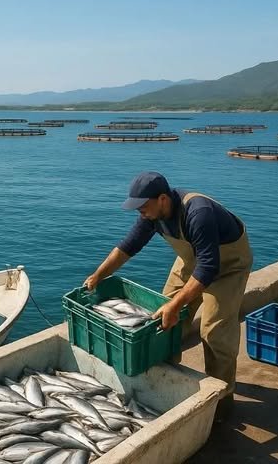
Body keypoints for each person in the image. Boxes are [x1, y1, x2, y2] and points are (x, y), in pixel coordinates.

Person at [84, 171, 252, 418]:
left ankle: (222, 399)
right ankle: (168, 379)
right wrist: (99, 275)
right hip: (192, 261)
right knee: (162, 321)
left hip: (228, 266)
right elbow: (128, 246)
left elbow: (209, 268)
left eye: (143, 206)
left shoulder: (198, 213)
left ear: (163, 199)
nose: (139, 212)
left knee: (215, 331)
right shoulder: (151, 215)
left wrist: (176, 304)